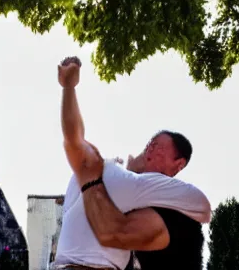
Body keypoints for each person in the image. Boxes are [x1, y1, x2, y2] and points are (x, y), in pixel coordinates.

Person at [54, 57, 210, 270]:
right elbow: (74, 139)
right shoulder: (112, 171)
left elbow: (202, 206)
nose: (152, 148)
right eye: (151, 143)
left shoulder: (153, 188)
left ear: (178, 165)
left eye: (160, 148)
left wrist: (69, 87)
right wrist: (69, 88)